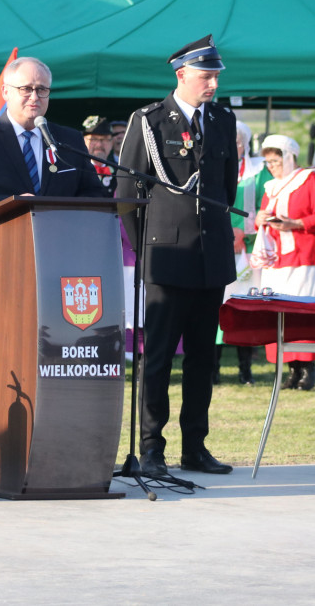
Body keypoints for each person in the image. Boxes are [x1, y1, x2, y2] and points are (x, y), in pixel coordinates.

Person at [116, 35, 238, 477]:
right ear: (181, 74)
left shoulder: (222, 119)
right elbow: (127, 195)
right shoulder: (150, 121)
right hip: (166, 258)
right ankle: (152, 448)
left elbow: (226, 186)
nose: (212, 86)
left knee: (204, 357)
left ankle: (195, 446)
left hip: (211, 258)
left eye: (216, 78)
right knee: (160, 356)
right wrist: (147, 249)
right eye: (205, 77)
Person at [0, 56, 103, 399]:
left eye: (42, 89)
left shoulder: (67, 140)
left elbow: (93, 194)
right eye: (26, 89)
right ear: (6, 92)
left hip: (56, 275)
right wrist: (14, 201)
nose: (35, 96)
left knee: (48, 364)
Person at [253, 134, 315, 391]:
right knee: (281, 315)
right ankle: (291, 367)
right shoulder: (271, 186)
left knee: (305, 313)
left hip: (305, 256)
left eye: (276, 160)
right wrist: (261, 218)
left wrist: (296, 224)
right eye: (267, 162)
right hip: (277, 259)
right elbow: (260, 221)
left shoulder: (310, 179)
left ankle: (308, 366)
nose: (271, 166)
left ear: (289, 157)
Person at [214, 120, 265, 385]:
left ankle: (246, 370)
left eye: (237, 140)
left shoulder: (259, 171)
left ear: (245, 143)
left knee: (246, 307)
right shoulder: (210, 167)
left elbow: (267, 204)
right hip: (216, 247)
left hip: (247, 250)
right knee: (216, 306)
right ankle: (213, 370)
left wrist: (244, 232)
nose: (233, 145)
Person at [82, 115, 117, 197]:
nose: (99, 144)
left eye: (105, 139)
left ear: (111, 143)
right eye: (93, 139)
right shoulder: (75, 170)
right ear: (83, 141)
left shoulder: (120, 172)